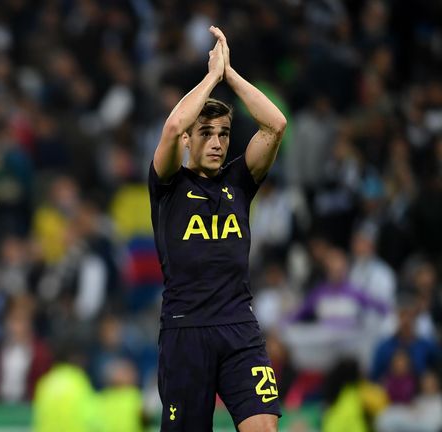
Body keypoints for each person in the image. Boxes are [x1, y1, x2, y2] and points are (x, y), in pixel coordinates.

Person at [149, 26, 287, 432]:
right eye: (206, 133)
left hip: (240, 328)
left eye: (224, 134)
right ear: (190, 141)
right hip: (186, 331)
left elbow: (275, 124)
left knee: (263, 427)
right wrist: (209, 77)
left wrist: (230, 76)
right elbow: (173, 127)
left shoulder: (240, 183)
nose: (216, 143)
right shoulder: (168, 185)